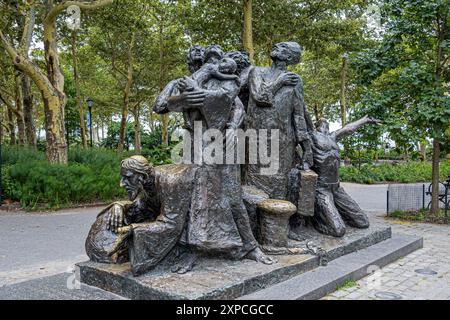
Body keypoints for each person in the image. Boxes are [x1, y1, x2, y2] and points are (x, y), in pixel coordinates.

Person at [85, 156, 198, 275]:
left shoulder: (171, 182)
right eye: (123, 178)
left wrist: (133, 229)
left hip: (186, 222)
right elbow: (140, 206)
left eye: (127, 178)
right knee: (115, 213)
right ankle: (116, 252)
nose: (122, 184)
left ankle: (185, 254)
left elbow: (171, 224)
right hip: (165, 217)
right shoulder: (147, 183)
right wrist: (120, 206)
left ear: (143, 177)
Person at [244, 42, 314, 200]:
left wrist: (306, 146)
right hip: (257, 136)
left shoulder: (295, 81)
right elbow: (259, 96)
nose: (276, 47)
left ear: (289, 57)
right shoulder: (257, 72)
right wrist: (279, 82)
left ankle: (278, 220)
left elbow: (298, 115)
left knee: (278, 184)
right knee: (254, 182)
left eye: (282, 47)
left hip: (283, 140)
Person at [310, 116, 381, 236]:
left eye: (326, 123)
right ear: (316, 126)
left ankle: (334, 215)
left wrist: (365, 120)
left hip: (336, 189)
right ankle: (315, 222)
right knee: (338, 230)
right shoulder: (311, 136)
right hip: (321, 189)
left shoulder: (332, 137)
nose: (325, 124)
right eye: (322, 123)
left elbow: (348, 129)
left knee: (363, 222)